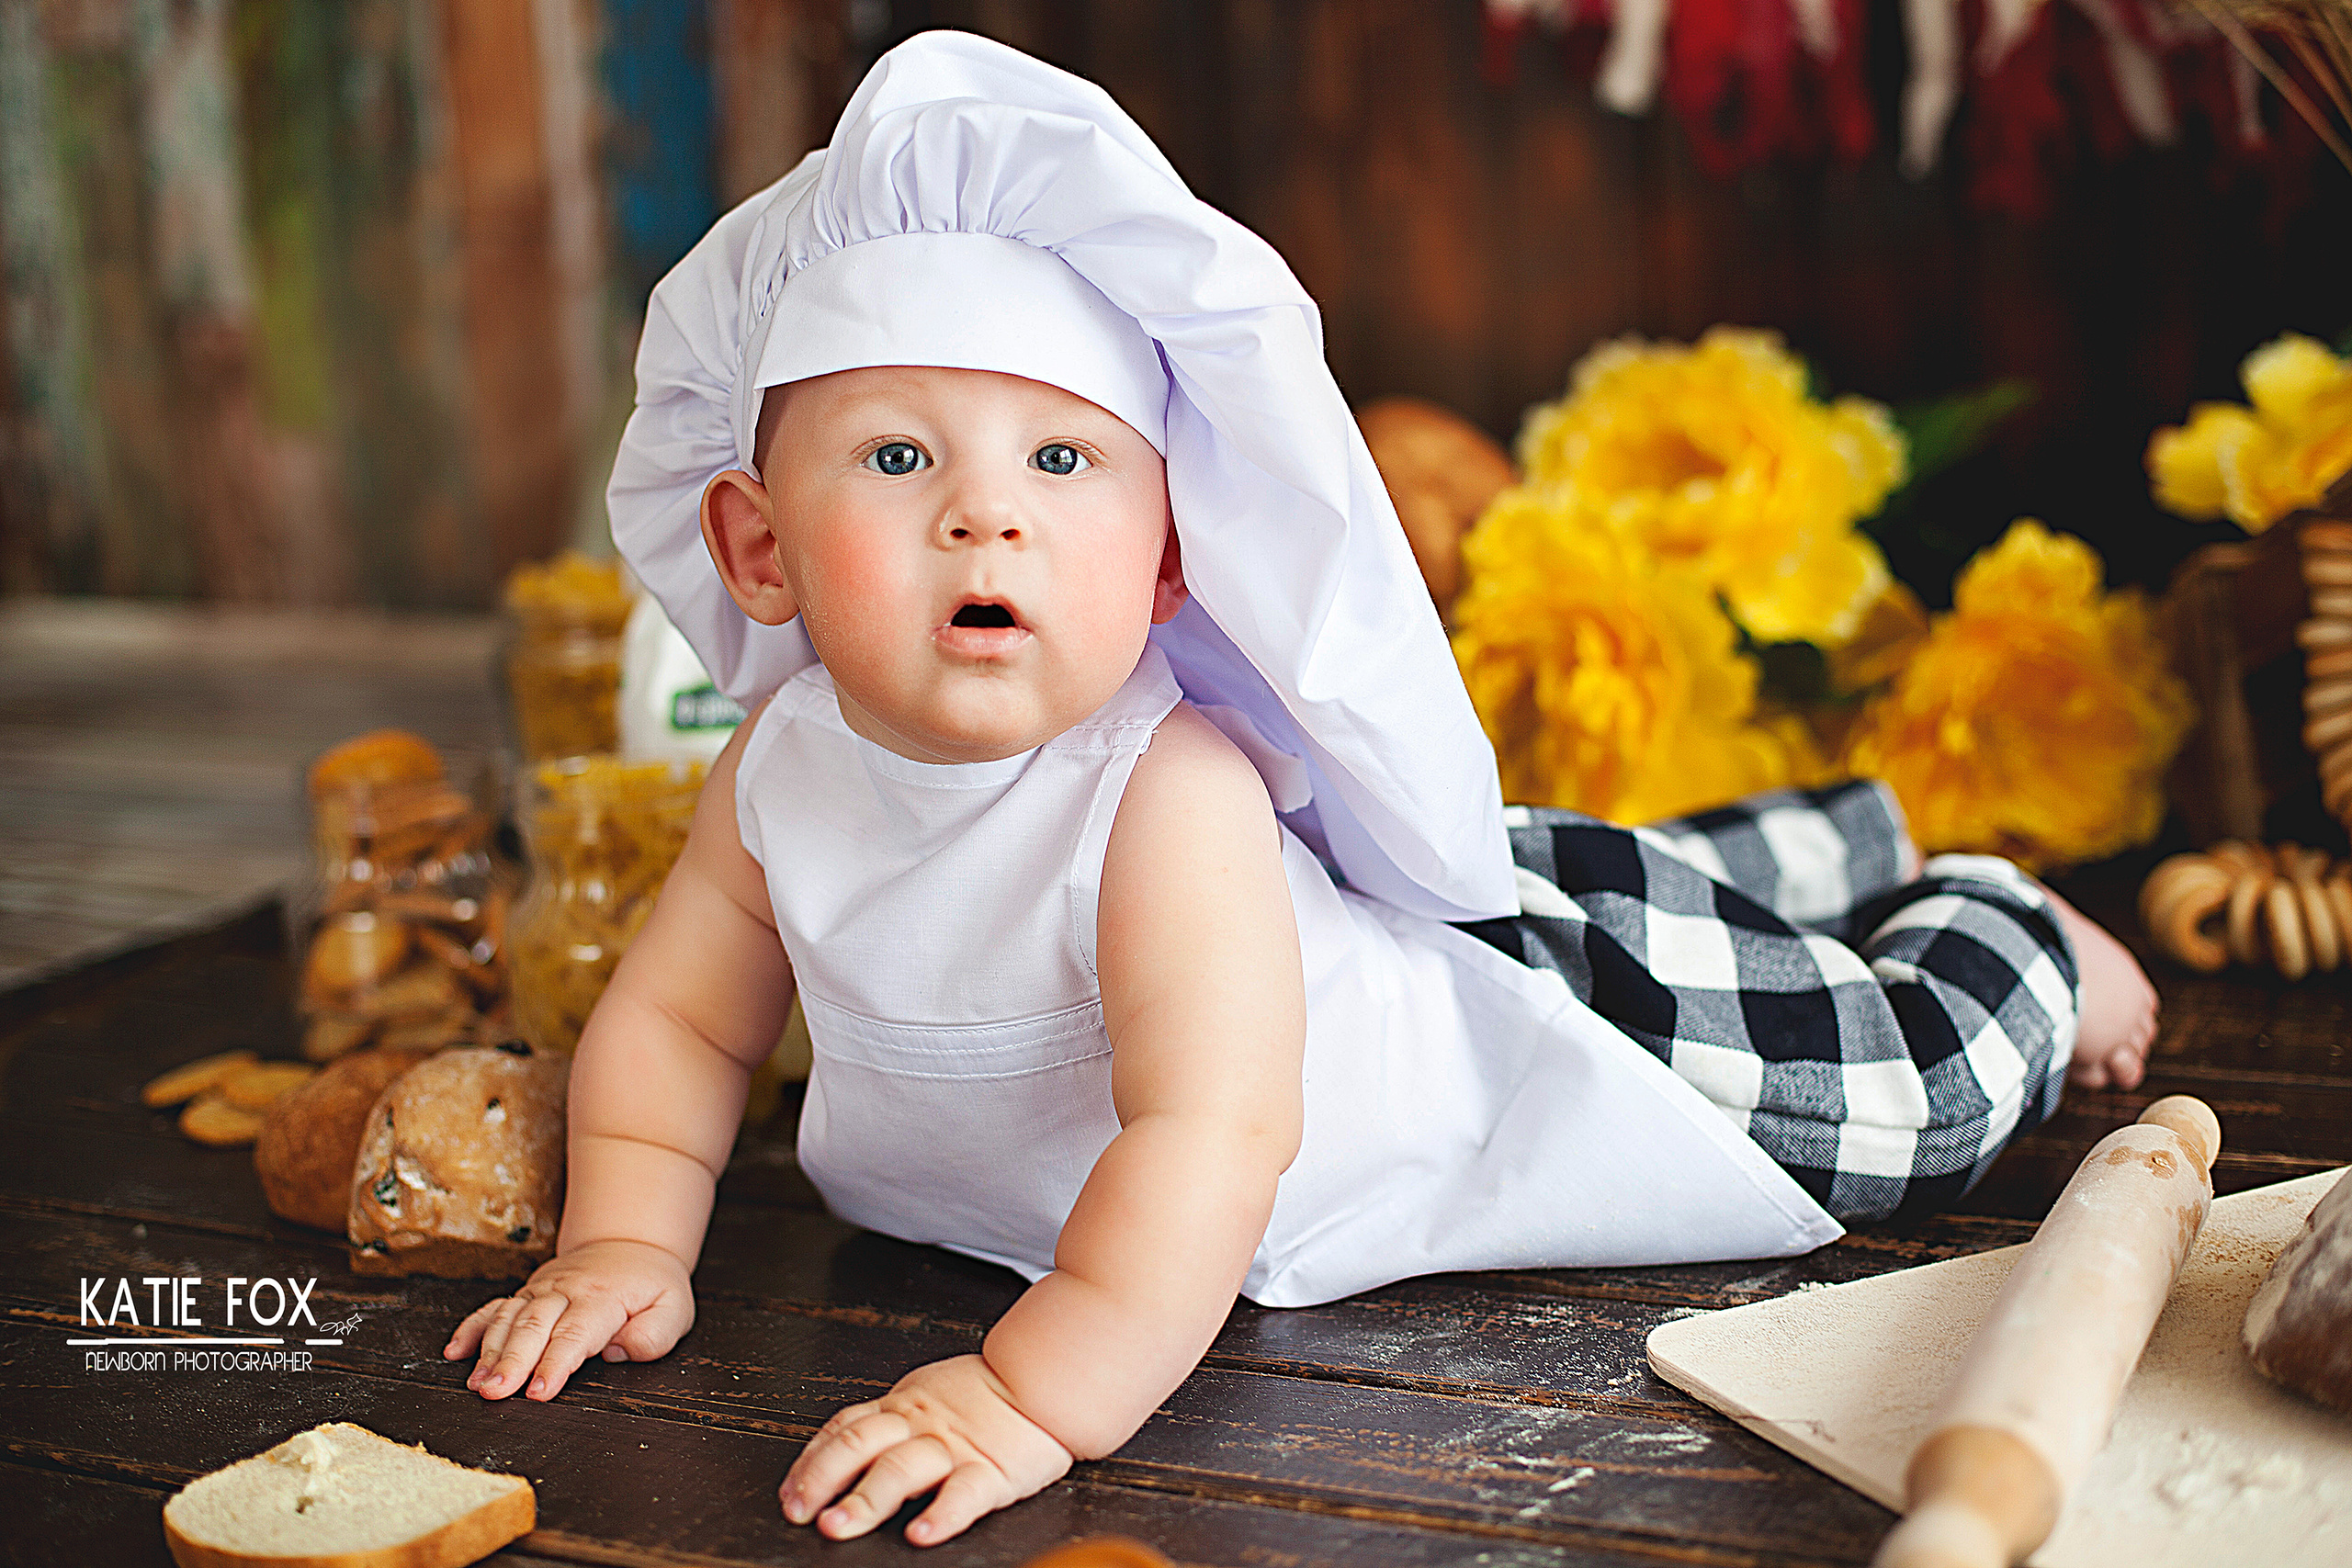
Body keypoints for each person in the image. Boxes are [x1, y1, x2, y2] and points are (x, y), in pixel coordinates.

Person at [442, 30, 2158, 1548]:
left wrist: (1031, 1398)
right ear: (756, 544)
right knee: (1602, 864)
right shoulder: (780, 774)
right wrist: (627, 1245)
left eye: (1062, 462)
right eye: (898, 460)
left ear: (1172, 553)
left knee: (1888, 1086)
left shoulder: (1159, 798)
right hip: (1293, 1048)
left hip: (1528, 1061)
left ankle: (2015, 925)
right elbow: (677, 1035)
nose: (986, 518)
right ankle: (1845, 841)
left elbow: (1213, 1133)